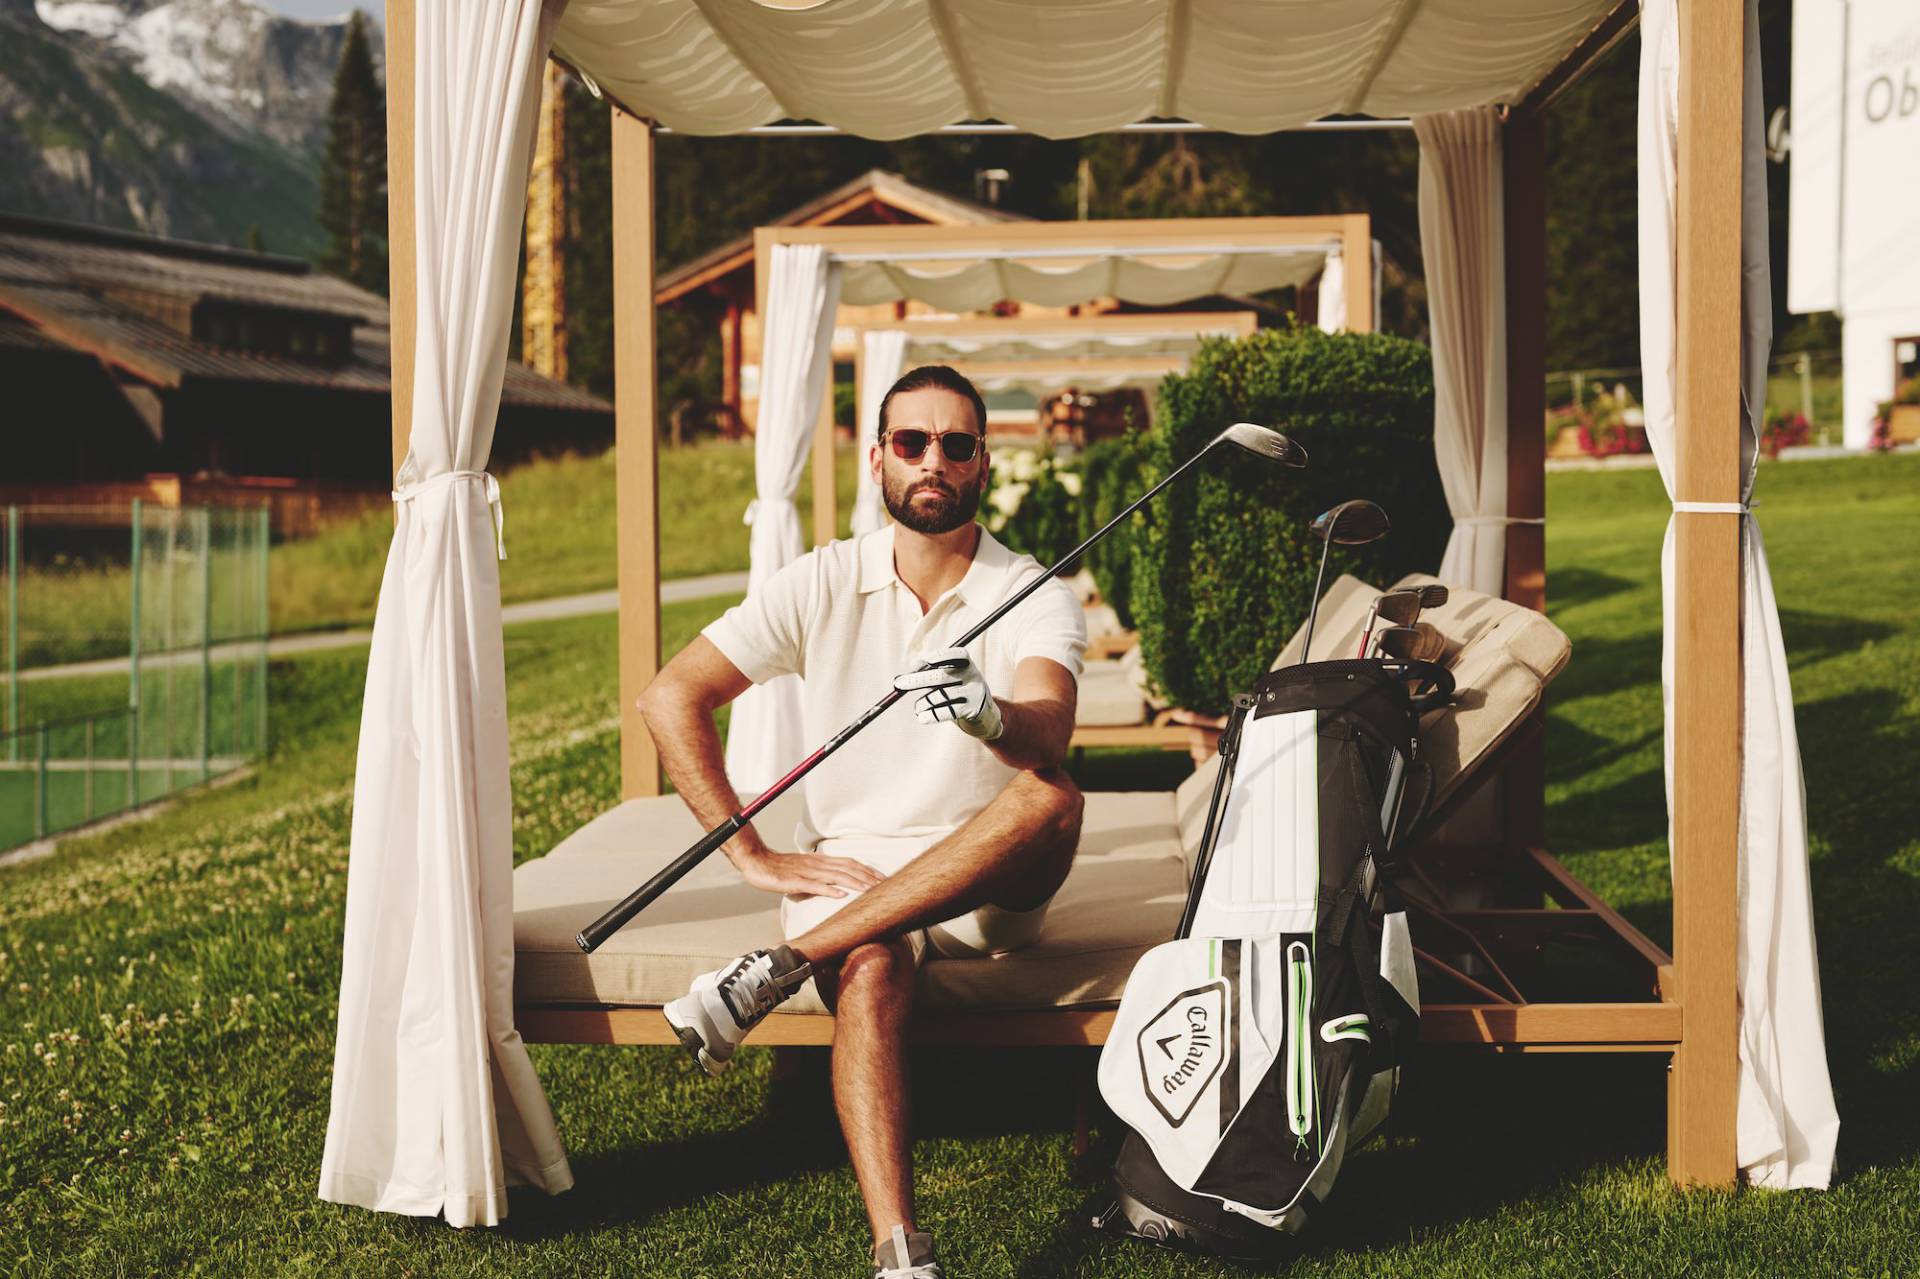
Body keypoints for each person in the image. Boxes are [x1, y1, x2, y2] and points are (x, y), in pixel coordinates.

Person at [638, 365, 1086, 1279]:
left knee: (1055, 796)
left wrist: (988, 714)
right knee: (873, 966)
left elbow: (1050, 730)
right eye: (912, 441)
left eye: (955, 444)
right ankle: (900, 1256)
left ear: (983, 462)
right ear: (878, 458)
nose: (933, 460)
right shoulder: (822, 580)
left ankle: (775, 970)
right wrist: (752, 854)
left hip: (986, 883)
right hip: (851, 872)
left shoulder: (1033, 590)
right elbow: (669, 696)